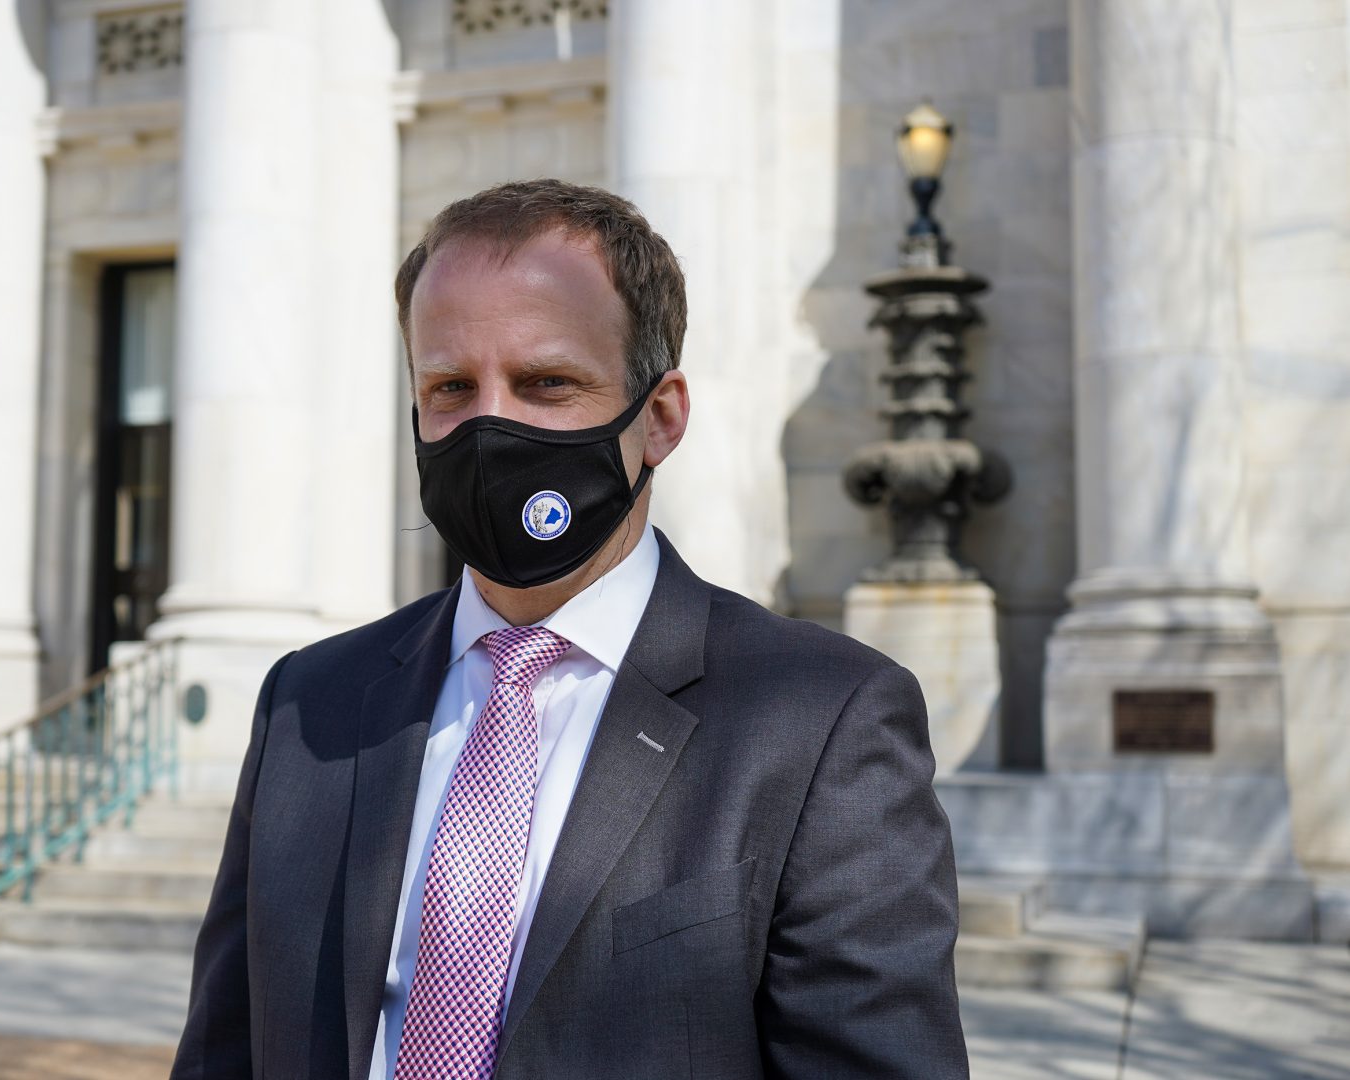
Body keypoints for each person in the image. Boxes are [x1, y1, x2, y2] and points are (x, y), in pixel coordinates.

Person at [170, 179, 968, 1079]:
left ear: (659, 418)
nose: (490, 426)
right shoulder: (309, 704)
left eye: (547, 384)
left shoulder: (819, 720)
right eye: (450, 387)